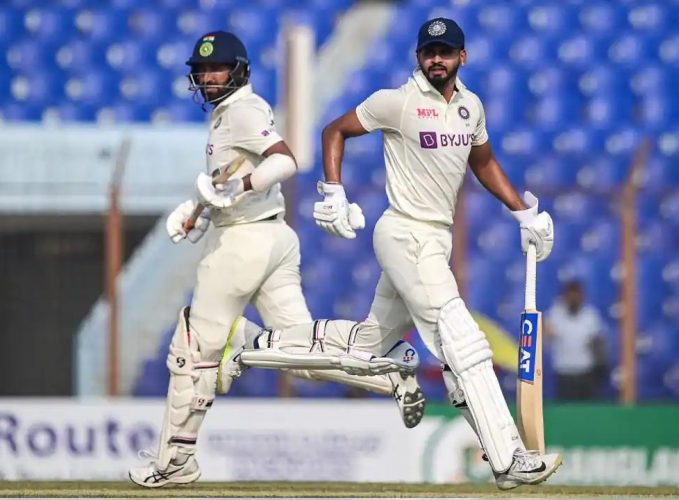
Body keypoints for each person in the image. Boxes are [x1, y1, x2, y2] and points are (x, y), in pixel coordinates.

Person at [236, 17, 562, 490]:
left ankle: (250, 342)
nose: (436, 59)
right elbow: (335, 130)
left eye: (445, 52)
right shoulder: (398, 102)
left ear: (461, 58)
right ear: (418, 57)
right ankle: (508, 458)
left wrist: (523, 214)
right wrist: (332, 191)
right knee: (464, 343)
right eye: (429, 52)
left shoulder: (471, 108)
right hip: (404, 234)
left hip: (434, 241)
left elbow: (484, 162)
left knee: (370, 348)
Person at [128, 30, 424, 488]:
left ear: (239, 70)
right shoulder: (231, 113)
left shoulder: (242, 111)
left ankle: (175, 461)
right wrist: (198, 210)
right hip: (273, 237)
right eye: (202, 70)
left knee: (193, 348)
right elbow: (227, 179)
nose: (207, 77)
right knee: (298, 353)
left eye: (217, 68)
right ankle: (389, 373)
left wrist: (236, 191)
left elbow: (284, 161)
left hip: (242, 246)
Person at [546, 280, 608, 400]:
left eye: (577, 295)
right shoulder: (555, 314)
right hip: (564, 373)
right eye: (571, 296)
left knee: (587, 412)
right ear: (565, 296)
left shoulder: (590, 315)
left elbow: (597, 341)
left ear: (582, 296)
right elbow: (546, 336)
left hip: (585, 372)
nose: (574, 299)